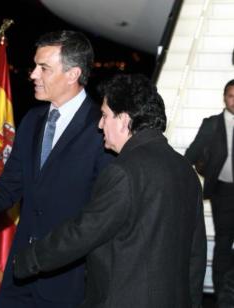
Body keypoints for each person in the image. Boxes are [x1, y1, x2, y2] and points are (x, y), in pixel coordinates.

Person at [14, 74, 207, 307]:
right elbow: (196, 254)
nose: (100, 125)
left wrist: (28, 260)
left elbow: (83, 232)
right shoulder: (185, 169)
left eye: (105, 116)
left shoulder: (124, 171)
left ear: (124, 120)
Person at [0, 30, 114, 307]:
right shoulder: (32, 119)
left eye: (43, 68)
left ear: (72, 74)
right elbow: (8, 189)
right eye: (35, 66)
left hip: (70, 278)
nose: (32, 75)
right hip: (21, 272)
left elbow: (100, 213)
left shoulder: (101, 128)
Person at [185, 79, 234, 295]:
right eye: (232, 95)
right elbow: (191, 154)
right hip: (222, 191)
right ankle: (221, 292)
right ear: (224, 97)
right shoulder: (212, 124)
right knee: (223, 242)